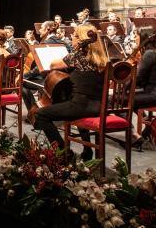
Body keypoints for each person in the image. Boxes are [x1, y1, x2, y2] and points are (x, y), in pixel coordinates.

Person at [27, 24, 109, 159]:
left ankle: (64, 152)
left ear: (81, 39)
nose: (72, 37)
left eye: (75, 35)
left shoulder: (77, 56)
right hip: (100, 106)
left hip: (81, 106)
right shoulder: (102, 57)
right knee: (72, 103)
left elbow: (53, 65)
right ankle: (87, 150)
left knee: (41, 114)